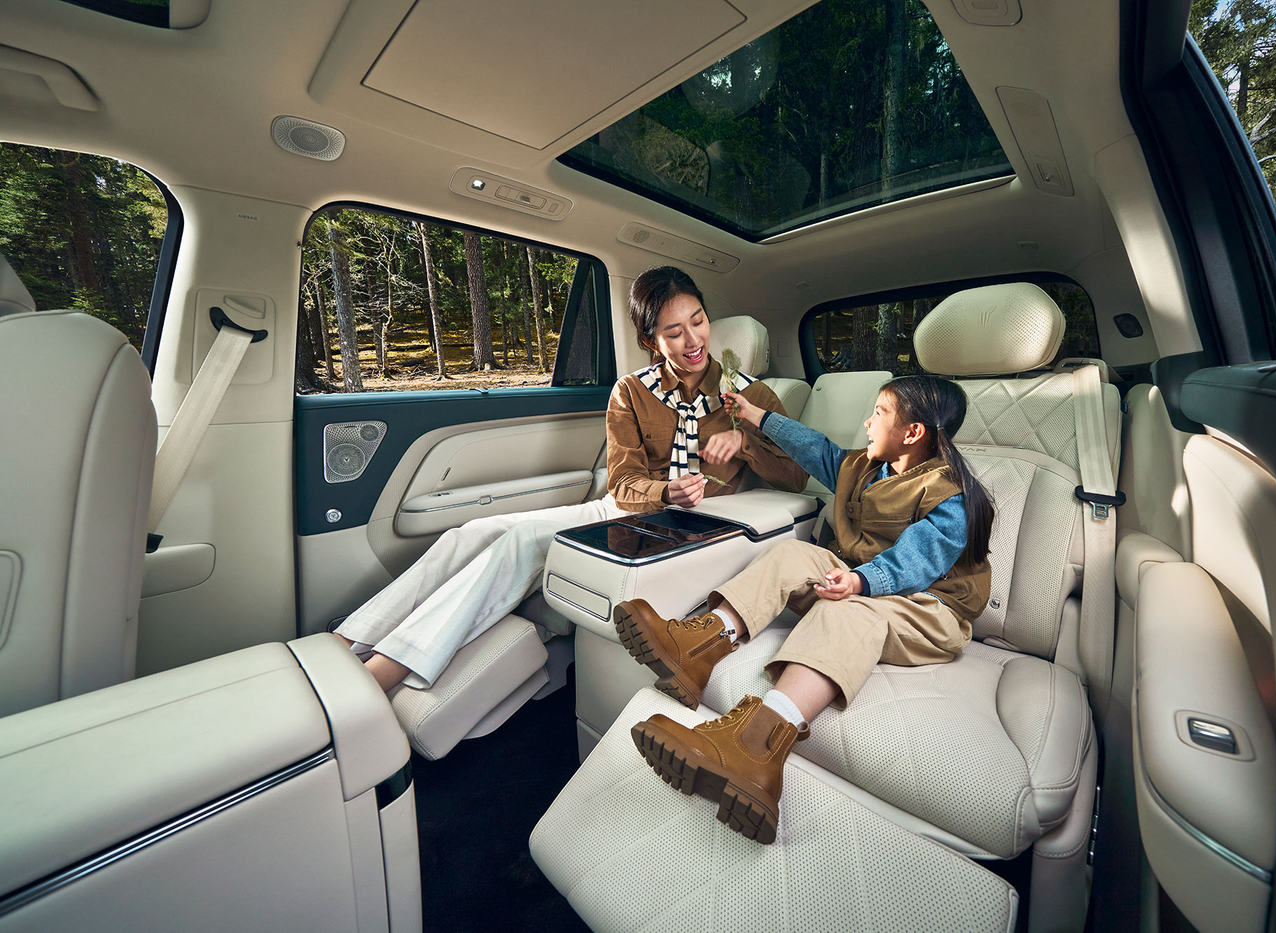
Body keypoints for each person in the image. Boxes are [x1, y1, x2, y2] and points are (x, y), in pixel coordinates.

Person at [334, 265, 806, 693]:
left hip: (688, 525)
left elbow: (798, 476)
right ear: (650, 340)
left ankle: (389, 668)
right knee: (470, 532)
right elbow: (623, 483)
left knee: (523, 541)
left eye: (698, 321)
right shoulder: (631, 391)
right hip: (626, 509)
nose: (693, 340)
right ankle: (350, 640)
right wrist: (666, 490)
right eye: (674, 331)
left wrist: (745, 444)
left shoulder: (752, 395)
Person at [614, 375, 994, 844]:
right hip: (865, 580)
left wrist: (860, 582)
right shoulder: (865, 467)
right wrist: (756, 417)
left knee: (849, 608)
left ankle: (756, 750)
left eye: (879, 413)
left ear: (912, 433)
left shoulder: (949, 493)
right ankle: (698, 645)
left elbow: (918, 560)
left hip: (930, 608)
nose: (867, 422)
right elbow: (816, 450)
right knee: (794, 553)